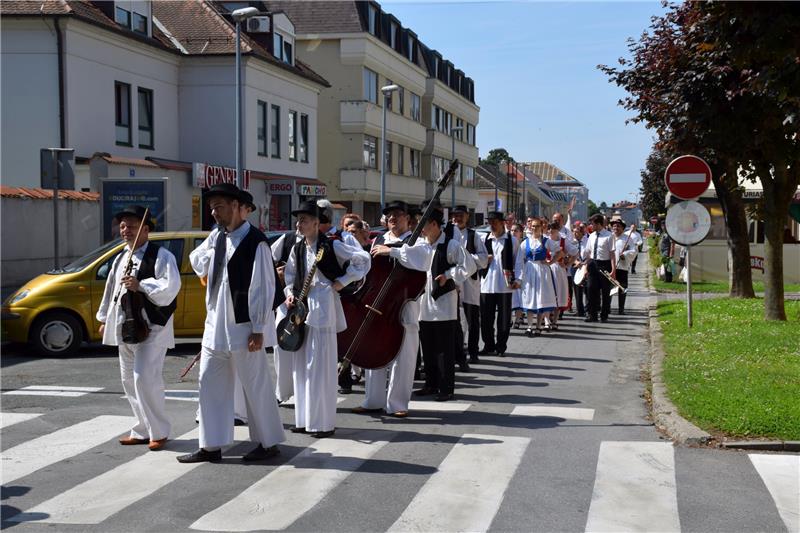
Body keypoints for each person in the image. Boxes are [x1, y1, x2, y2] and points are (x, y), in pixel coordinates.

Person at [179, 183, 285, 463]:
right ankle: (211, 445)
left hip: (244, 326)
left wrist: (259, 328)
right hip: (215, 325)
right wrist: (211, 250)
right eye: (212, 207)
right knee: (208, 383)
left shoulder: (256, 241)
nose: (215, 212)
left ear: (239, 208)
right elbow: (196, 261)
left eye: (220, 206)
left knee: (255, 385)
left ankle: (268, 441)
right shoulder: (217, 237)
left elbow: (263, 287)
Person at [283, 200, 371, 437]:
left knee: (320, 366)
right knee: (301, 365)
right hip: (301, 309)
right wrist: (289, 294)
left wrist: (342, 282)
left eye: (303, 220)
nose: (299, 224)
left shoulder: (330, 246)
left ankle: (322, 422)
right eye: (298, 220)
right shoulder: (298, 247)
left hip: (322, 306)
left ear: (316, 222)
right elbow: (290, 274)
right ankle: (304, 419)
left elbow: (363, 259)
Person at [97, 205, 181, 452]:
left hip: (152, 326)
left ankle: (159, 431)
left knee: (144, 378)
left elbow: (170, 288)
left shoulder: (163, 256)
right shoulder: (121, 257)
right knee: (128, 381)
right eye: (123, 226)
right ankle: (142, 429)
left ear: (146, 229)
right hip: (126, 326)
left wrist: (141, 285)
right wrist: (104, 318)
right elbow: (111, 290)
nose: (126, 230)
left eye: (132, 226)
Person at [375, 200, 471, 401]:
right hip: (423, 302)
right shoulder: (421, 244)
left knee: (444, 349)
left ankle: (446, 388)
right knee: (427, 347)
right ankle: (431, 383)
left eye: (423, 224)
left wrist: (449, 275)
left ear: (434, 225)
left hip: (443, 302)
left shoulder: (451, 244)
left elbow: (468, 267)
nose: (420, 229)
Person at [352, 201, 420, 418]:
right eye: (389, 215)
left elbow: (422, 260)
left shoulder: (415, 240)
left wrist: (392, 252)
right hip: (376, 301)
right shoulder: (378, 238)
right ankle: (373, 400)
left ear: (407, 219)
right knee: (374, 351)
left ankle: (398, 403)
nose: (393, 218)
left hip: (401, 305)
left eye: (398, 215)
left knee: (403, 355)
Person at [479, 211, 523, 357]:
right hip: (486, 284)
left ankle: (501, 346)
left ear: (502, 222)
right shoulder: (484, 239)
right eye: (490, 222)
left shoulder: (512, 241)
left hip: (505, 286)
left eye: (494, 222)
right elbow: (476, 259)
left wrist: (518, 280)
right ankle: (488, 345)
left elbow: (518, 262)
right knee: (486, 319)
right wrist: (484, 260)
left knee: (504, 319)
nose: (492, 225)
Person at [451, 205, 489, 367]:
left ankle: (473, 352)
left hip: (470, 284)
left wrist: (466, 257)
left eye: (460, 215)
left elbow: (483, 259)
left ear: (467, 217)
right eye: (455, 215)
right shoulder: (447, 234)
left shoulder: (474, 236)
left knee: (472, 320)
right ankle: (456, 352)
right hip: (452, 282)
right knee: (453, 321)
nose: (457, 218)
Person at [519, 218, 557, 336]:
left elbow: (560, 251)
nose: (535, 228)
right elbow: (520, 258)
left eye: (537, 226)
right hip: (529, 270)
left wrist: (550, 262)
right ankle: (530, 326)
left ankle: (538, 326)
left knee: (540, 298)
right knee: (529, 297)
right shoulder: (525, 242)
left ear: (542, 227)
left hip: (542, 270)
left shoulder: (546, 241)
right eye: (533, 226)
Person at [581, 213, 617, 323]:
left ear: (598, 224)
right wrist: (585, 267)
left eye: (593, 224)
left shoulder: (609, 236)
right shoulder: (591, 236)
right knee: (591, 289)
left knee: (605, 291)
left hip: (604, 264)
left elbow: (612, 254)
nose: (591, 226)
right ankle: (593, 314)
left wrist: (613, 270)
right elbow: (588, 253)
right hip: (593, 263)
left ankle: (604, 315)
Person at [611, 218, 637, 315]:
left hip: (622, 268)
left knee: (622, 288)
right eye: (614, 226)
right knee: (610, 289)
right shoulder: (610, 237)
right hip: (611, 267)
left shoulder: (627, 239)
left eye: (618, 226)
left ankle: (621, 309)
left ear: (622, 228)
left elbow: (633, 251)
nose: (616, 228)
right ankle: (607, 307)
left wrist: (625, 255)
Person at [569, 223, 589, 317]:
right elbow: (569, 253)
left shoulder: (587, 241)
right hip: (575, 266)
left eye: (577, 232)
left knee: (587, 288)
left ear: (581, 233)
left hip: (585, 266)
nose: (575, 234)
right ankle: (579, 310)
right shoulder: (571, 242)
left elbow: (590, 254)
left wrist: (584, 263)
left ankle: (587, 309)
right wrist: (576, 262)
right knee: (577, 288)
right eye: (574, 232)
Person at [510, 223, 526, 330]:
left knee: (520, 297)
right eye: (512, 230)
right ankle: (510, 319)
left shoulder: (524, 243)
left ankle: (518, 319)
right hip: (511, 272)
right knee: (511, 298)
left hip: (522, 272)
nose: (513, 232)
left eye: (516, 230)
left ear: (521, 232)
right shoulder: (509, 242)